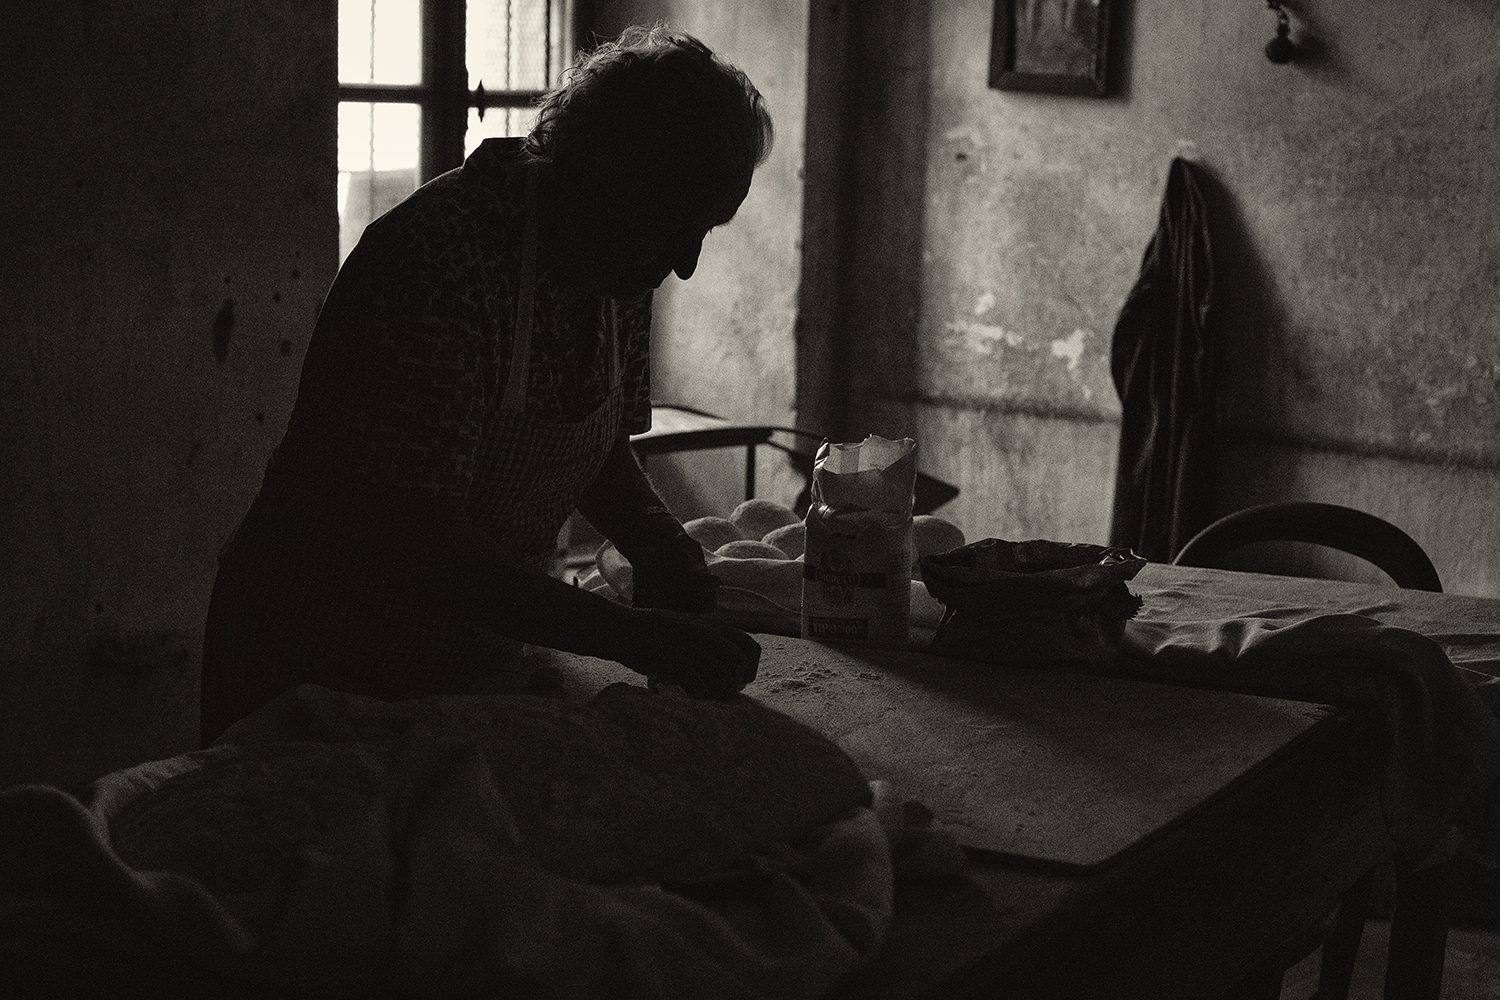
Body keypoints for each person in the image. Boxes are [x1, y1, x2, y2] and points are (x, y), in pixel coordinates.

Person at [199, 25, 771, 746]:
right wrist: (631, 636)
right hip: (318, 656)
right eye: (673, 226)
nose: (684, 263)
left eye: (704, 234)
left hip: (468, 658)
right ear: (603, 177)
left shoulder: (620, 270)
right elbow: (416, 535)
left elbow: (587, 441)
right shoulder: (442, 261)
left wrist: (659, 544)